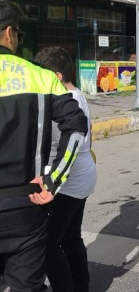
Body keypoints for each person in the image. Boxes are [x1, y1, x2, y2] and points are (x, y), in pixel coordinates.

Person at [0, 0, 88, 291]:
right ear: (10, 33)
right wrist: (54, 180)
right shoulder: (42, 77)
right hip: (26, 205)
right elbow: (76, 128)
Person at [34, 47, 96, 292]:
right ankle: (81, 286)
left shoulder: (64, 102)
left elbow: (53, 144)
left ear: (56, 76)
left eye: (42, 74)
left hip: (69, 180)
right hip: (81, 175)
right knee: (71, 237)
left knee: (48, 244)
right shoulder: (76, 95)